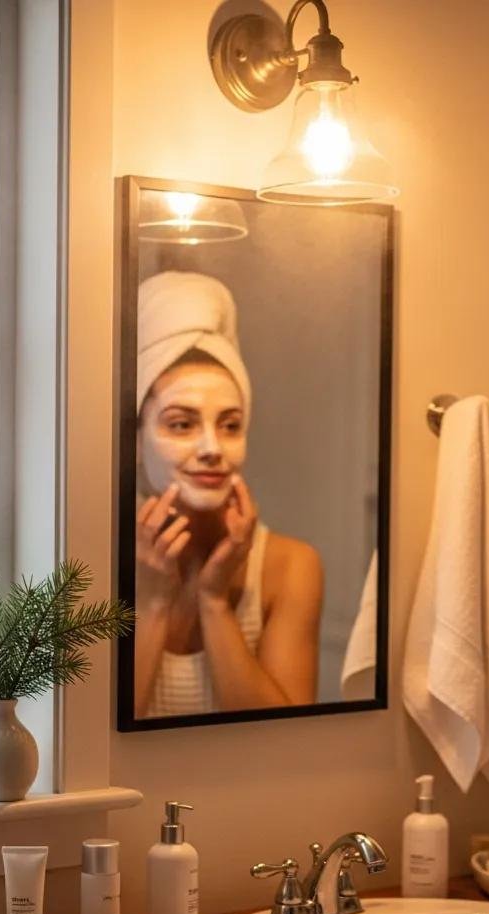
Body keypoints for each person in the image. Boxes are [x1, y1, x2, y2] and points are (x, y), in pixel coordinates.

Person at [133, 270, 323, 718]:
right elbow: (89, 753)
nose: (212, 449)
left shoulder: (290, 567)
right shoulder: (88, 564)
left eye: (230, 425)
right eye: (181, 423)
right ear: (136, 437)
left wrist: (214, 600)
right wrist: (156, 601)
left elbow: (281, 746)